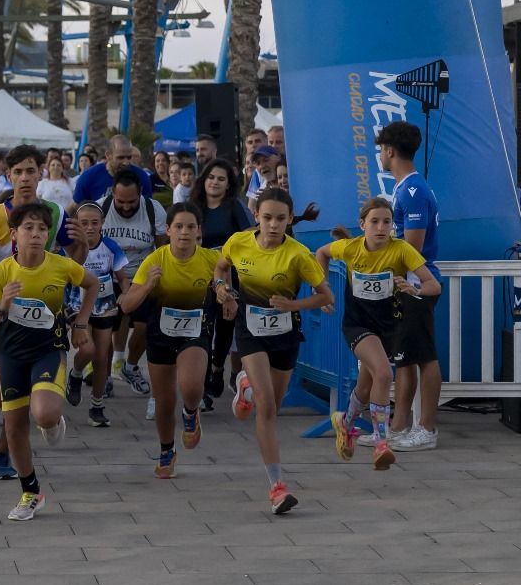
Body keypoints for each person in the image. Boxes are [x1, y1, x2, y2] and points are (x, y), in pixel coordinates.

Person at [215, 187, 333, 515]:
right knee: (266, 407)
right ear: (257, 217)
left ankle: (245, 385)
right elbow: (221, 268)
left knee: (273, 407)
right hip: (249, 329)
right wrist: (221, 289)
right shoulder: (238, 242)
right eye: (267, 218)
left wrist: (293, 304)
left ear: (288, 220)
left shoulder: (298, 254)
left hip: (285, 334)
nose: (273, 225)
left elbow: (325, 296)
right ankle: (277, 487)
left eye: (280, 219)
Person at [0, 203, 97, 521]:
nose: (35, 234)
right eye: (28, 228)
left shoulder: (61, 265)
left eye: (42, 229)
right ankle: (30, 493)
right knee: (15, 427)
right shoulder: (2, 272)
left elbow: (93, 283)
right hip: (12, 354)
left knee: (43, 415)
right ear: (14, 235)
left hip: (49, 348)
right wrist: (3, 307)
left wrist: (81, 323)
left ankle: (51, 418)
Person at [317, 197, 441, 470]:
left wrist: (416, 290)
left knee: (365, 385)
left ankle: (345, 422)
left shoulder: (401, 250)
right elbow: (322, 253)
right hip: (358, 325)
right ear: (362, 225)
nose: (381, 227)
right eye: (374, 222)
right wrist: (323, 288)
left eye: (387, 222)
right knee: (384, 374)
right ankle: (382, 443)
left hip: (390, 326)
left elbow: (434, 285)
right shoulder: (349, 248)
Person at [118, 203, 218, 479]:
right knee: (163, 400)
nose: (184, 233)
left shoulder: (211, 260)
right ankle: (166, 450)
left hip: (196, 330)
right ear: (168, 230)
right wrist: (149, 286)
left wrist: (226, 296)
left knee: (190, 385)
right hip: (160, 333)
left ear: (199, 231)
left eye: (190, 227)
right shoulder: (155, 261)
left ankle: (190, 413)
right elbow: (127, 305)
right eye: (178, 227)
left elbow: (227, 289)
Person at [373, 120, 443, 453]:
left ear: (389, 151)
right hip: (405, 284)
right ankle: (399, 426)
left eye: (380, 151)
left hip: (416, 284)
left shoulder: (413, 191)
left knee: (425, 357)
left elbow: (411, 247)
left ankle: (426, 428)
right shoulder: (405, 189)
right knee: (405, 358)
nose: (380, 157)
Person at [189, 158, 253, 406]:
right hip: (200, 276)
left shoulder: (234, 206)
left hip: (230, 275)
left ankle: (217, 367)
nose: (214, 182)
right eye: (211, 177)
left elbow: (249, 234)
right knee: (203, 328)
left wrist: (228, 252)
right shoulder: (194, 206)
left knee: (225, 326)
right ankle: (203, 386)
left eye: (221, 179)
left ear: (229, 185)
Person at [100, 170, 167, 399]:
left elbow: (161, 249)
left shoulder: (153, 210)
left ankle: (130, 366)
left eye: (131, 202)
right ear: (112, 194)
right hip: (108, 275)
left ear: (140, 194)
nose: (126, 207)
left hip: (140, 276)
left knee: (144, 328)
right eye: (121, 201)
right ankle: (105, 375)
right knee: (106, 329)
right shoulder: (101, 208)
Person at [63, 202, 128, 427]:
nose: (89, 228)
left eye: (94, 223)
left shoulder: (110, 247)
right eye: (84, 223)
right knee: (87, 349)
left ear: (102, 224)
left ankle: (97, 406)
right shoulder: (69, 247)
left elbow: (122, 277)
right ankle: (76, 373)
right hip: (76, 305)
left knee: (102, 358)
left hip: (104, 306)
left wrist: (126, 293)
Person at [73, 135, 155, 204]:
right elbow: (76, 207)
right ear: (108, 155)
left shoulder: (142, 177)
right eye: (121, 157)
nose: (126, 162)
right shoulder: (89, 177)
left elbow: (148, 209)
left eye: (129, 157)